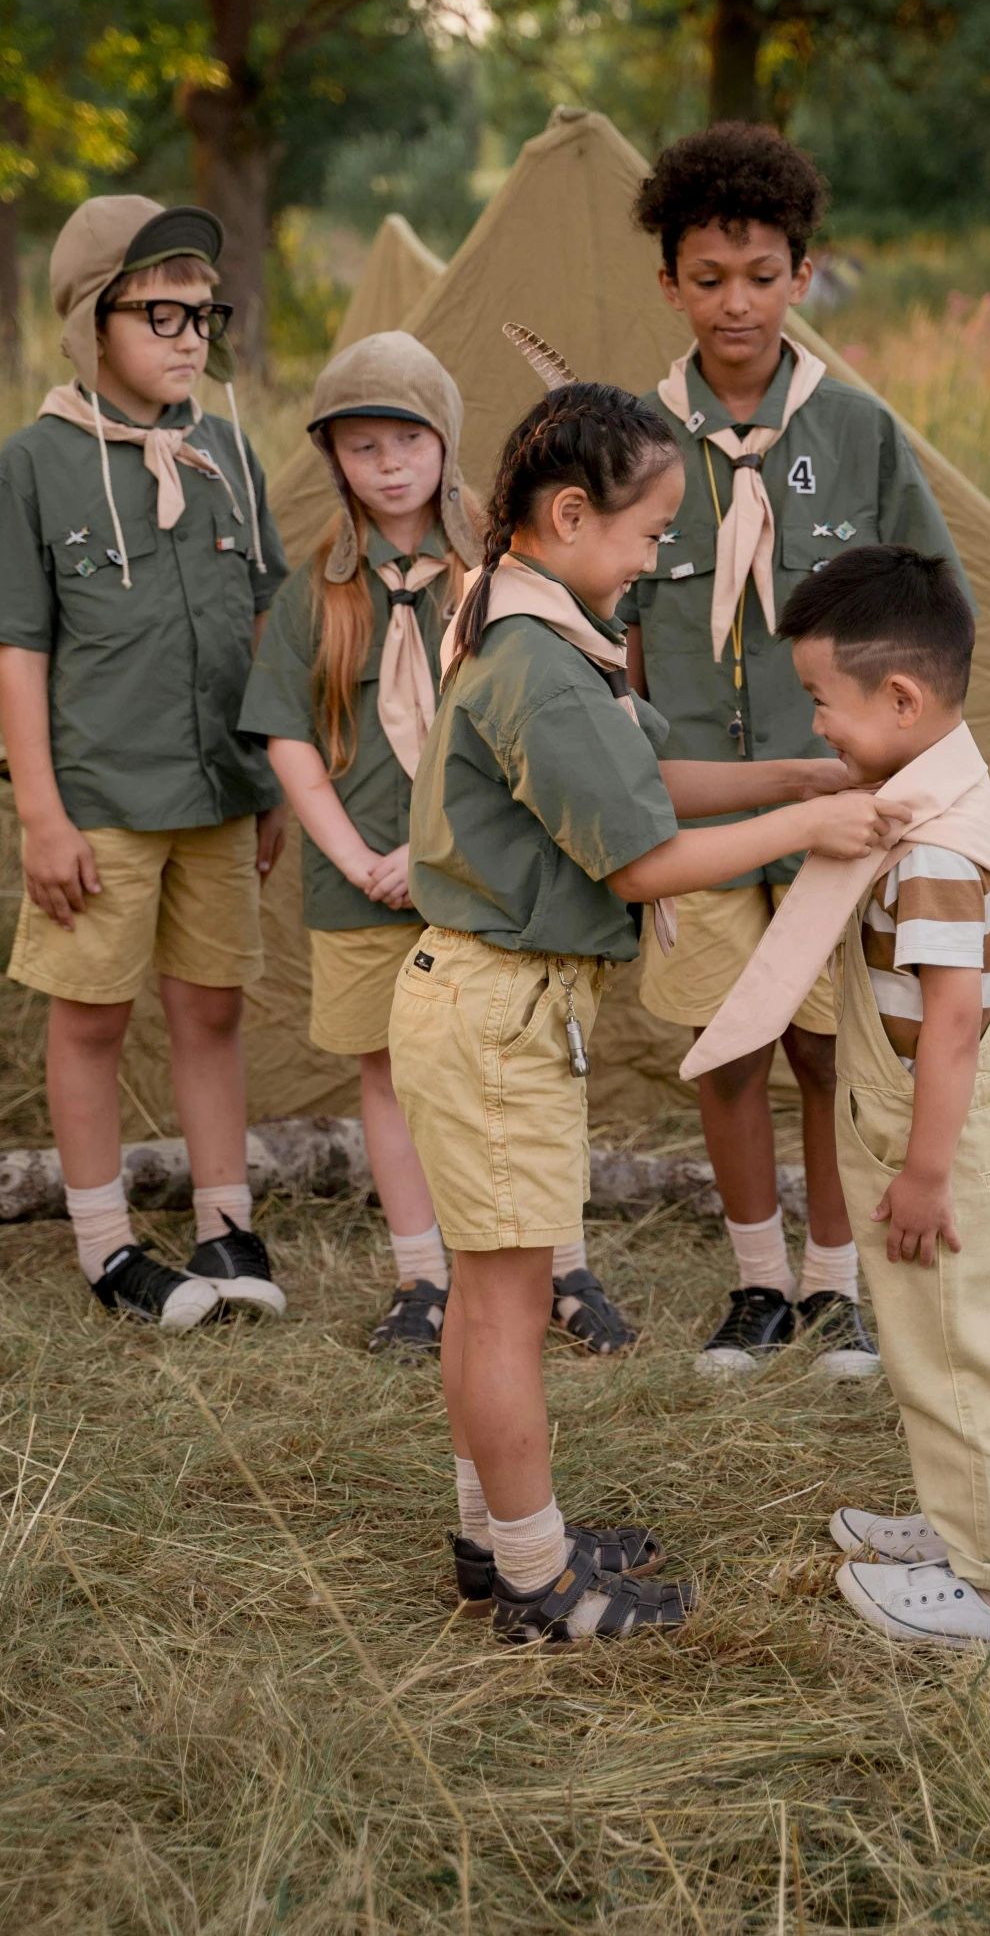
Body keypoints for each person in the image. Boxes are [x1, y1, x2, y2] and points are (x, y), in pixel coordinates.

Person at [389, 369, 898, 1645]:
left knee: (488, 1292)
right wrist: (809, 817)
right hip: (497, 1015)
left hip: (491, 1006)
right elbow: (636, 859)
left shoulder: (535, 623)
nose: (661, 554)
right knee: (506, 1305)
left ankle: (497, 1531)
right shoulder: (537, 661)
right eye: (647, 532)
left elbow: (632, 775)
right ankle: (534, 1579)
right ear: (568, 517)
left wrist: (781, 765)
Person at [622, 122, 969, 1377]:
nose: (735, 302)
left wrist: (904, 769)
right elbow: (605, 626)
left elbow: (935, 610)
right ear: (669, 283)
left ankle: (834, 1287)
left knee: (831, 1043)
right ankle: (754, 1283)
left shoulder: (860, 431)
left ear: (800, 277)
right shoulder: (632, 443)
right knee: (727, 1044)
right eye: (707, 278)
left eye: (760, 275)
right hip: (701, 807)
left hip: (841, 801)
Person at [240, 333, 643, 1357]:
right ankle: (420, 1274)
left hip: (494, 876)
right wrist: (350, 855)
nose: (387, 464)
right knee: (388, 1073)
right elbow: (287, 735)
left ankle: (560, 1260)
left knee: (535, 1059)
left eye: (406, 439)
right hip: (367, 879)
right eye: (361, 445)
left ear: (445, 441)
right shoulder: (315, 591)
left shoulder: (506, 573)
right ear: (335, 459)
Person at [689, 546, 990, 1650]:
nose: (820, 731)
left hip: (949, 1147)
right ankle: (958, 1527)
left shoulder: (935, 851)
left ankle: (987, 1589)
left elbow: (950, 1024)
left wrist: (925, 1172)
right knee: (937, 1345)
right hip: (930, 1132)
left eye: (822, 704)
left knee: (959, 1358)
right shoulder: (930, 777)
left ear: (900, 697)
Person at [0, 196, 288, 1331]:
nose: (192, 335)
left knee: (212, 1004)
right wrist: (41, 816)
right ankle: (103, 1244)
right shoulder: (36, 463)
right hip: (101, 800)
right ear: (94, 320)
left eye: (205, 313)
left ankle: (225, 1221)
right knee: (90, 1015)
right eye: (162, 312)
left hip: (219, 794)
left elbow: (259, 626)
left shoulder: (229, 449)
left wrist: (274, 776)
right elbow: (17, 653)